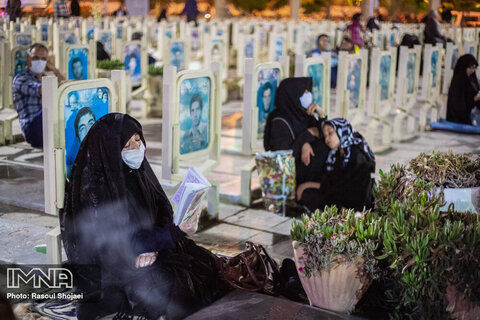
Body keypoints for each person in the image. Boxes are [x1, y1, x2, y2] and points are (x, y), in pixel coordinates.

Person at [60, 113, 228, 319]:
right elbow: (113, 245)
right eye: (126, 145)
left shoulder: (138, 172)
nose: (136, 149)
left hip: (148, 247)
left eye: (137, 140)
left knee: (204, 264)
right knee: (171, 285)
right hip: (113, 265)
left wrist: (157, 244)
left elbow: (160, 209)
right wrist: (166, 237)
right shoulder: (96, 189)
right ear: (110, 150)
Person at [297, 118, 375, 212]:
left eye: (330, 133)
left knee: (312, 195)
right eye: (325, 135)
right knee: (307, 195)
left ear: (341, 131)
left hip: (356, 203)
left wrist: (310, 185)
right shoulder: (338, 154)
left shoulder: (356, 154)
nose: (327, 139)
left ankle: (344, 214)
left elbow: (349, 188)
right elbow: (332, 181)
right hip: (340, 197)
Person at [264, 77, 329, 186]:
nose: (308, 95)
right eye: (304, 92)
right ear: (293, 94)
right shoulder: (279, 121)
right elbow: (283, 158)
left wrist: (322, 115)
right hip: (291, 173)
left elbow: (326, 135)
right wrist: (306, 136)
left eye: (309, 91)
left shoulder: (302, 114)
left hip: (306, 167)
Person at [12, 43, 65, 148]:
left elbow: (65, 89)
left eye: (43, 59)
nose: (39, 61)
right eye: (35, 58)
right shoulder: (20, 79)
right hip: (33, 126)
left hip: (48, 122)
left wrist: (55, 70)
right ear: (28, 59)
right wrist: (64, 85)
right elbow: (42, 90)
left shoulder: (47, 77)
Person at [446, 54, 480, 125]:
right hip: (459, 120)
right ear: (464, 67)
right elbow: (459, 106)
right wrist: (475, 99)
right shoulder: (458, 81)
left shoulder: (471, 78)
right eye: (470, 68)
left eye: (474, 68)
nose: (472, 71)